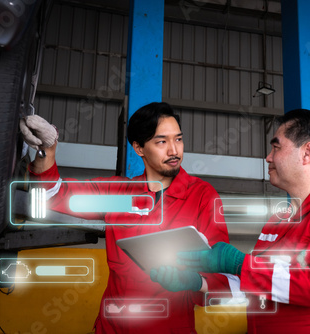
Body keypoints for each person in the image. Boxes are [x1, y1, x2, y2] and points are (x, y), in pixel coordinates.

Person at [23, 102, 236, 333]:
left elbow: (223, 278)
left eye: (178, 139)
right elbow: (54, 195)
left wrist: (197, 282)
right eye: (162, 141)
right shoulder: (118, 192)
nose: (174, 150)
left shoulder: (202, 196)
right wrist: (47, 151)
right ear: (139, 148)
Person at [175, 109, 310, 333]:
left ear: (307, 153)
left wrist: (241, 264)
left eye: (276, 147)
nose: (268, 157)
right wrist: (200, 283)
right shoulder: (278, 222)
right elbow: (261, 285)